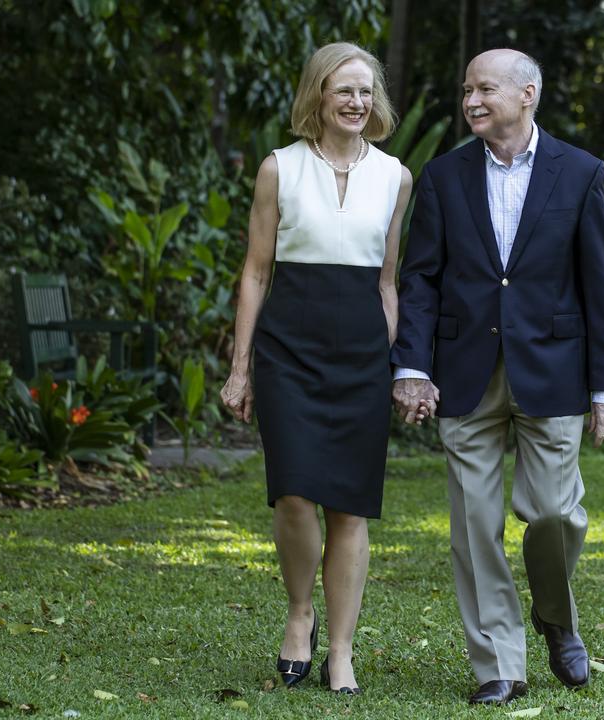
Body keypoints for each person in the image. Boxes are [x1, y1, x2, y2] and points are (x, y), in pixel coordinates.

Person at [391, 49, 604, 705]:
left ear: (528, 95)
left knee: (555, 511)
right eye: (466, 88)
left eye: (485, 88)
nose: (471, 99)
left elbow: (601, 285)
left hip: (553, 368)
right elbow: (420, 281)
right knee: (474, 522)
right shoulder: (442, 177)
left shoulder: (579, 173)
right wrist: (411, 365)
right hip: (462, 372)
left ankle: (554, 616)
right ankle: (499, 663)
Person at [219, 42, 412, 696]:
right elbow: (255, 271)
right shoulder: (279, 169)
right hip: (288, 349)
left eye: (366, 91)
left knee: (350, 507)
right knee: (296, 491)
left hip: (361, 353)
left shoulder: (396, 176)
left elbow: (388, 281)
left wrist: (391, 362)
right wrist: (240, 368)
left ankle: (341, 650)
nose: (356, 102)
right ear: (318, 96)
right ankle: (298, 614)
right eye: (343, 90)